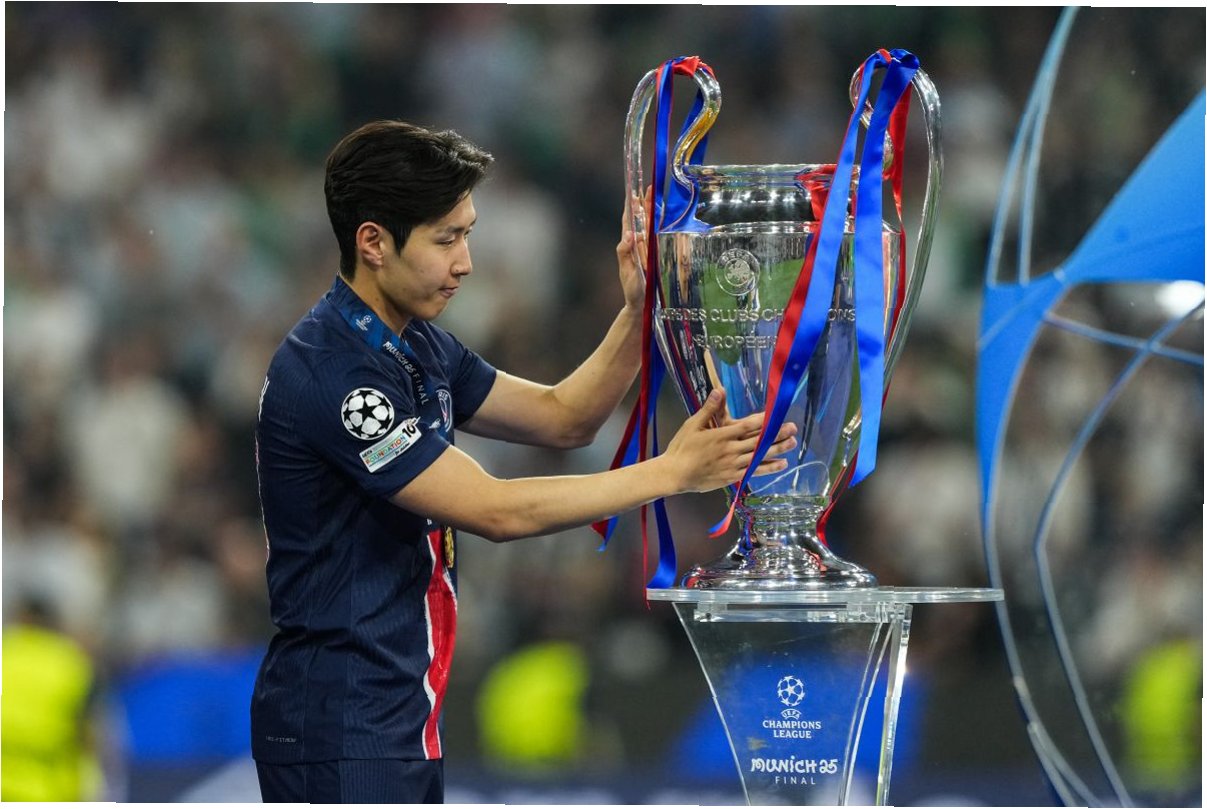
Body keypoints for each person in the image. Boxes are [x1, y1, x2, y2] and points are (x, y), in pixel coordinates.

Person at [251, 119, 797, 803]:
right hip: (338, 726)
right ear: (373, 243)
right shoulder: (335, 374)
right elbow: (495, 510)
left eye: (467, 234)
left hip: (390, 714)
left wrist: (639, 311)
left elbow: (564, 417)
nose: (465, 262)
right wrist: (671, 471)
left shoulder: (414, 345)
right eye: (445, 239)